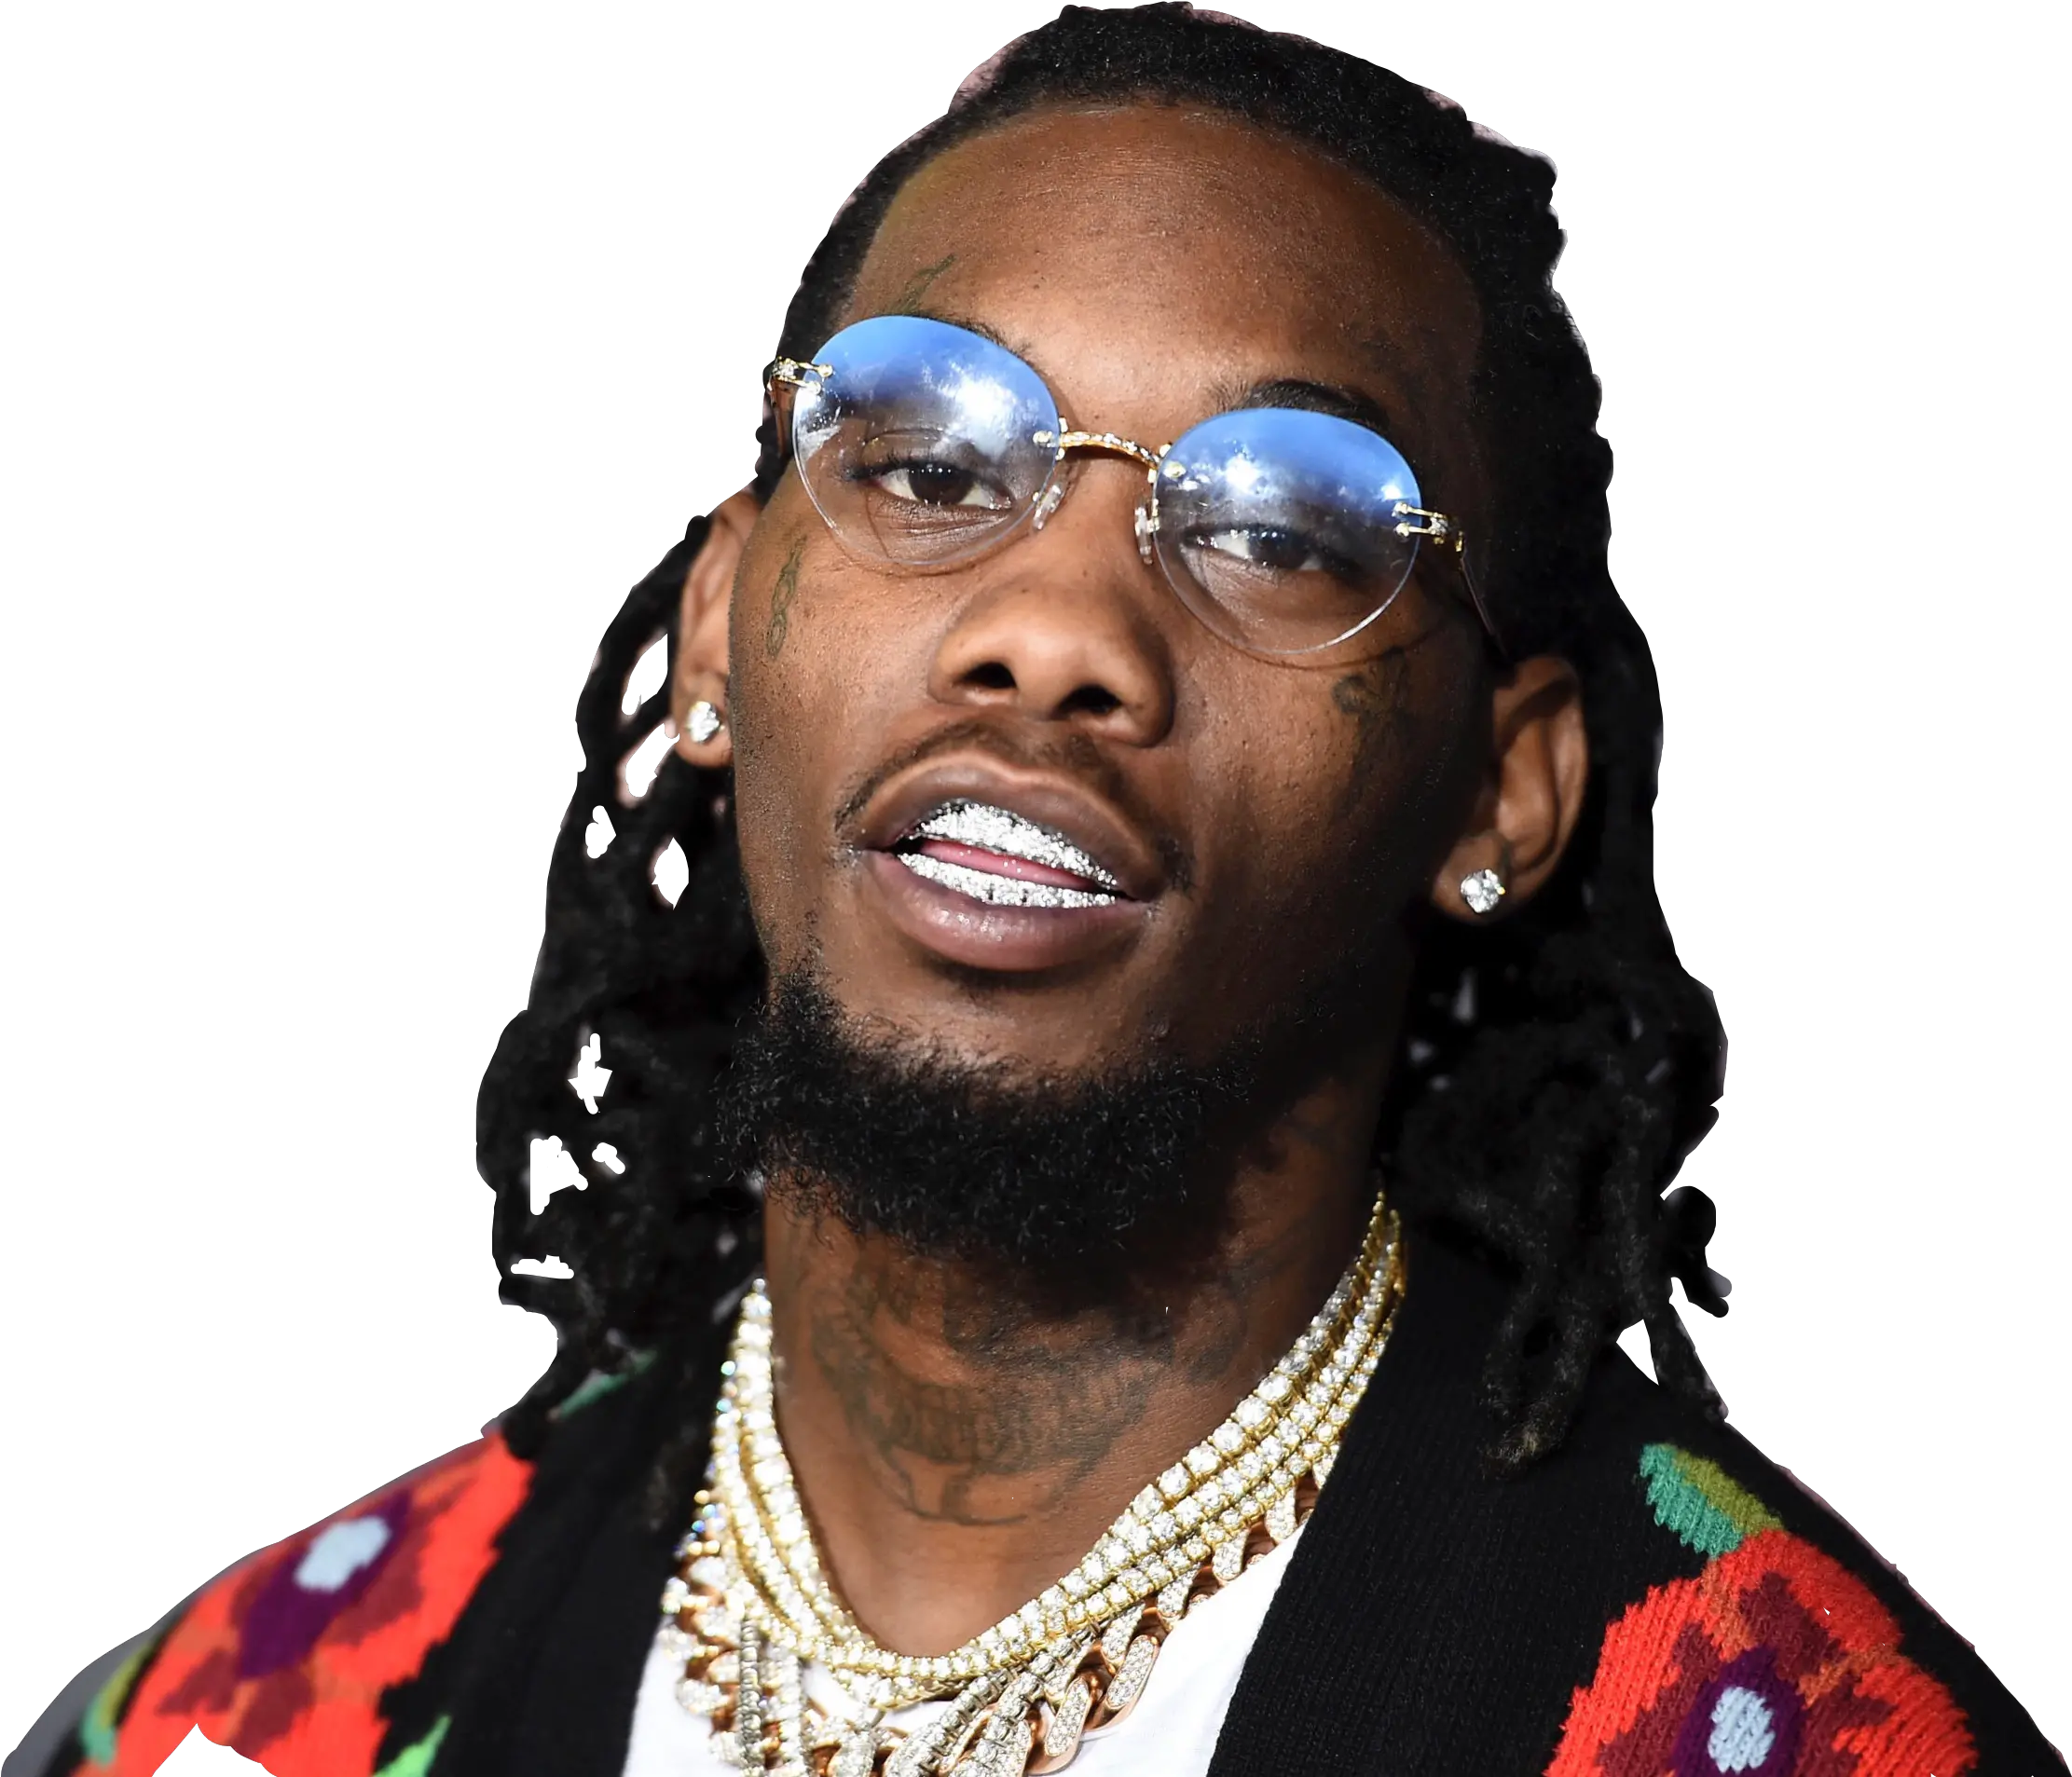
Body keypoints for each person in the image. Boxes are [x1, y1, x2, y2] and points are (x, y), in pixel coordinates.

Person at [10, 7, 2059, 1775]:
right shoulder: (238, 1716)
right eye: (923, 456)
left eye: (1284, 525)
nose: (1057, 629)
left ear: (1500, 792)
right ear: (717, 628)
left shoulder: (1797, 1732)